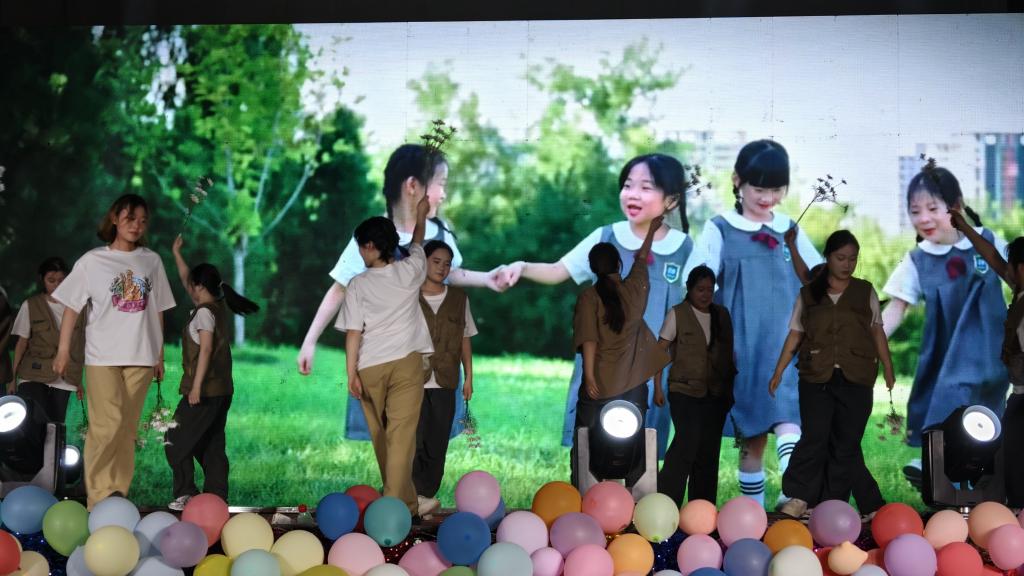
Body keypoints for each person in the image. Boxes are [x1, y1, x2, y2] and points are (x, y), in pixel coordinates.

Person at [500, 153, 700, 459]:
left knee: (642, 444)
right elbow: (558, 270)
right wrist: (522, 267)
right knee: (593, 439)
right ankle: (591, 486)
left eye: (646, 187)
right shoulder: (606, 237)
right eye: (628, 185)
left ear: (671, 200)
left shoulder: (684, 249)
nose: (633, 194)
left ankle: (637, 488)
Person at [297, 144, 502, 441]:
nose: (444, 194)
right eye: (441, 184)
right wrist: (309, 341)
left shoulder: (440, 232)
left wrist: (488, 279)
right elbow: (339, 289)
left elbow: (452, 273)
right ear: (412, 186)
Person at [694, 139, 823, 507]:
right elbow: (699, 282)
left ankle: (794, 494)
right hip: (742, 347)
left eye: (776, 189)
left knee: (788, 415)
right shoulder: (720, 229)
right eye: (759, 189)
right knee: (751, 437)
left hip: (786, 341)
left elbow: (816, 275)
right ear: (738, 181)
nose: (768, 198)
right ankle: (754, 513)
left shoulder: (789, 229)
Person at [881, 166, 1009, 486]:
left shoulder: (989, 242)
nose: (923, 218)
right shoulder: (917, 260)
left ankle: (939, 466)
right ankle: (948, 477)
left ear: (957, 206)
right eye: (915, 211)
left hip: (990, 351)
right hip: (947, 354)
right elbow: (895, 309)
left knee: (977, 409)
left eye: (933, 208)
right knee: (962, 407)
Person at [52, 194, 176, 508]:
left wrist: (159, 354)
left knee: (126, 429)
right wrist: (63, 350)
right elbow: (71, 308)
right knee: (106, 426)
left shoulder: (151, 261)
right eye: (130, 218)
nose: (136, 226)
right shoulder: (92, 261)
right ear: (114, 219)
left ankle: (118, 495)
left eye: (142, 221)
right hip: (102, 357)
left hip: (142, 357)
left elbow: (158, 309)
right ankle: (97, 498)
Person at [768, 230, 895, 518]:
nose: (847, 264)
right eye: (841, 258)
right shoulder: (809, 294)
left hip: (857, 378)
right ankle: (800, 497)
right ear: (828, 257)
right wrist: (778, 371)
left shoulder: (865, 291)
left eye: (852, 259)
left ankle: (833, 504)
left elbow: (877, 331)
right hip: (816, 377)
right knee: (814, 438)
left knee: (846, 444)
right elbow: (795, 335)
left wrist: (888, 366)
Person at [336, 190, 433, 517]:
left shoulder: (358, 284)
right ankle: (403, 504)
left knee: (382, 438)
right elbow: (417, 242)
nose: (359, 252)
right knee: (400, 438)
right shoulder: (411, 270)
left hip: (370, 367)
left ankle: (394, 506)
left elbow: (353, 333)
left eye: (360, 246)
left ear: (370, 246)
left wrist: (351, 373)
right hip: (406, 364)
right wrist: (421, 214)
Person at [570, 215, 671, 485]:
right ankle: (636, 500)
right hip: (634, 386)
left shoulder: (588, 297)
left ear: (593, 267)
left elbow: (589, 339)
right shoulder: (635, 290)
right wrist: (652, 230)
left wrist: (589, 377)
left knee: (585, 441)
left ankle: (583, 495)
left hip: (599, 385)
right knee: (634, 445)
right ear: (618, 264)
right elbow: (642, 259)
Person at [164, 235, 260, 511]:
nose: (188, 288)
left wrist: (195, 387)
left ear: (199, 287)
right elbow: (187, 278)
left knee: (174, 439)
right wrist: (177, 253)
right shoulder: (216, 308)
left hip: (204, 392)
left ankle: (186, 492)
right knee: (211, 443)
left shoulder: (204, 314)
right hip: (222, 390)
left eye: (191, 285)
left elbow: (205, 350)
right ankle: (217, 497)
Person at [949, 209, 1024, 508]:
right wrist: (966, 228)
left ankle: (1015, 509)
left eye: (1013, 267)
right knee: (1005, 455)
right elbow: (993, 258)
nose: (1008, 272)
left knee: (1012, 456)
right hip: (1018, 395)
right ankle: (1002, 507)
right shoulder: (1020, 291)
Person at [656, 265, 736, 506]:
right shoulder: (677, 313)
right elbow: (659, 351)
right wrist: (657, 387)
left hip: (716, 394)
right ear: (689, 289)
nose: (705, 294)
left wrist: (729, 391)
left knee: (708, 452)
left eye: (710, 289)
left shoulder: (722, 315)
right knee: (686, 442)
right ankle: (665, 503)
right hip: (684, 391)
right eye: (700, 289)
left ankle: (701, 509)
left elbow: (729, 355)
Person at [412, 239, 478, 518]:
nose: (442, 268)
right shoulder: (408, 295)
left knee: (437, 442)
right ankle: (409, 497)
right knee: (412, 441)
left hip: (446, 381)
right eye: (436, 261)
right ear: (424, 262)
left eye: (447, 264)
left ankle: (425, 496)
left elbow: (465, 338)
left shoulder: (459, 299)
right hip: (412, 380)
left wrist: (468, 376)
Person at [8, 257, 86, 423]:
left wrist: (78, 381)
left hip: (66, 378)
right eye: (51, 280)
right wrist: (12, 379)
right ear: (42, 280)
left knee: (55, 426)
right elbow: (21, 344)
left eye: (61, 280)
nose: (57, 285)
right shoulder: (31, 305)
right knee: (33, 423)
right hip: (33, 373)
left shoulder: (80, 308)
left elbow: (81, 345)